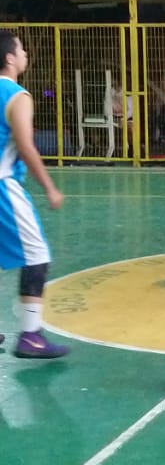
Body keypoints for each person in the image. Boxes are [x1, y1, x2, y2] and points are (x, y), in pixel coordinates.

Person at [0, 31, 69, 358]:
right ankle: (30, 336)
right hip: (3, 187)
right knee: (37, 256)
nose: (25, 53)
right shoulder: (17, 96)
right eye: (21, 49)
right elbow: (26, 147)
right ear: (10, 58)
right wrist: (50, 188)